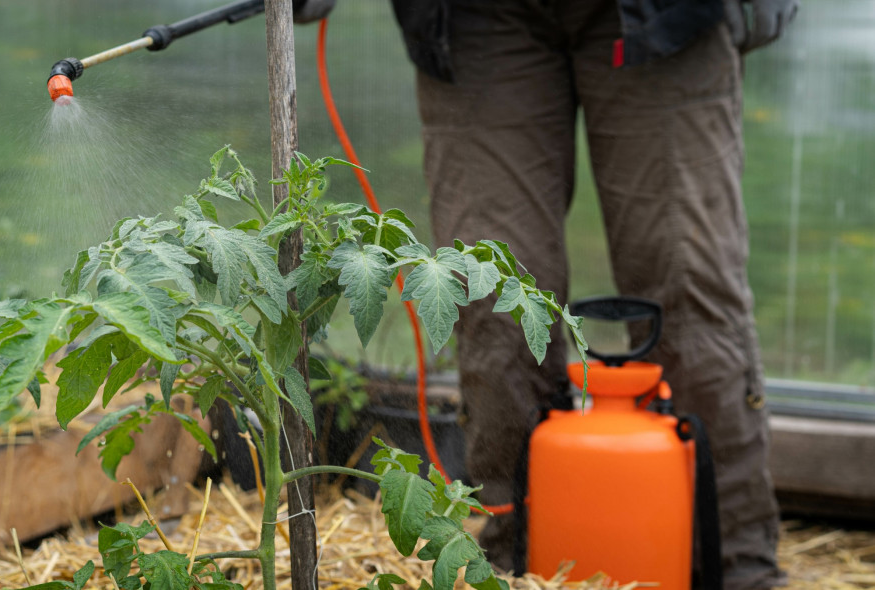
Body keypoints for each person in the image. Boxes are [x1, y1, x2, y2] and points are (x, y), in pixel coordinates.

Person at [302, 1, 798, 588]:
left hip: (663, 13)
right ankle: (520, 562)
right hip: (476, 20)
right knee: (493, 292)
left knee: (686, 287)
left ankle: (733, 564)